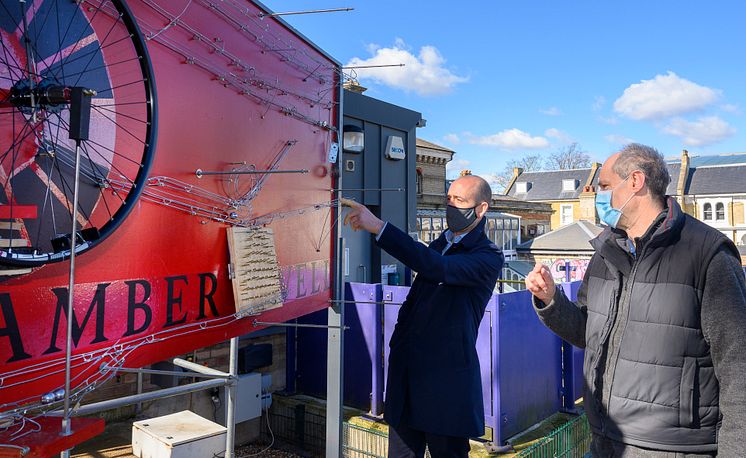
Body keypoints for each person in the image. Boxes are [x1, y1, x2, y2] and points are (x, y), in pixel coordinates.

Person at [525, 144, 746, 457]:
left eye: (603, 186)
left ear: (635, 182)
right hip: (604, 440)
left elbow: (739, 369)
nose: (596, 196)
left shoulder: (708, 254)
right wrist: (550, 300)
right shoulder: (606, 252)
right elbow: (588, 333)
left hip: (674, 449)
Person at [341, 174, 504, 458]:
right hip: (408, 379)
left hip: (445, 386)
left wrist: (380, 227)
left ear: (481, 209)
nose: (451, 206)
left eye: (460, 201)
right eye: (449, 199)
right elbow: (419, 293)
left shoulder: (488, 256)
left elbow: (437, 268)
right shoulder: (441, 243)